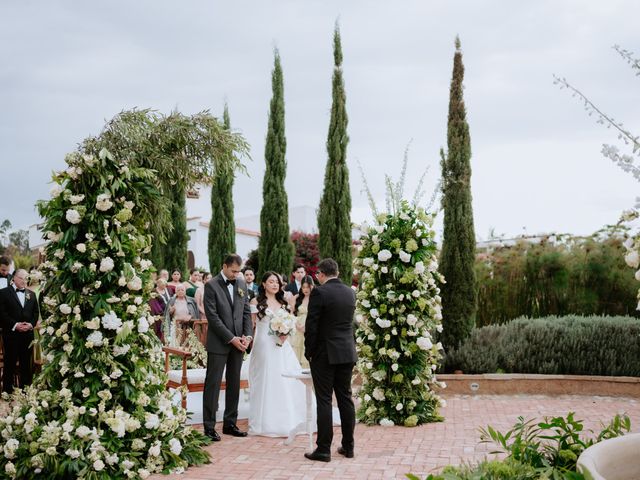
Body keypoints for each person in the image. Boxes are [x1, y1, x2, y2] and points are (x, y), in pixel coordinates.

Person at [304, 258, 357, 462]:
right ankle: (348, 446)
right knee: (345, 398)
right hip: (347, 352)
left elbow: (312, 326)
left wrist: (309, 352)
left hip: (325, 353)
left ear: (322, 274)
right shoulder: (350, 292)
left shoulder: (320, 292)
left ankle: (324, 449)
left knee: (324, 399)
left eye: (318, 275)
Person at [247, 271, 308, 436]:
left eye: (277, 282)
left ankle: (287, 417)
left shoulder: (284, 302)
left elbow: (290, 321)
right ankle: (263, 420)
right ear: (264, 284)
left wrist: (285, 333)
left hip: (282, 345)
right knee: (265, 378)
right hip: (263, 345)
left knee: (285, 379)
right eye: (271, 281)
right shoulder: (255, 302)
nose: (275, 285)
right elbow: (251, 325)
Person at [202, 254, 253, 442]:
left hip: (239, 343)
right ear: (224, 266)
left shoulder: (241, 284)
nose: (236, 275)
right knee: (213, 384)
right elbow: (213, 317)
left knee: (234, 384)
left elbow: (246, 311)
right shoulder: (211, 285)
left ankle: (230, 423)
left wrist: (247, 336)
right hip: (219, 343)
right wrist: (231, 338)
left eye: (239, 271)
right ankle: (209, 426)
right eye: (233, 271)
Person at [0, 269, 40, 393]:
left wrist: (30, 325)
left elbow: (35, 313)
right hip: (11, 334)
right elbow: (2, 314)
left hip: (27, 335)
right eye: (21, 278)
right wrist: (16, 325)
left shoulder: (31, 294)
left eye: (26, 278)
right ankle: (7, 390)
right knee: (10, 363)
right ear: (14, 278)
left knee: (26, 363)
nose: (24, 281)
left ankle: (25, 390)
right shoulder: (3, 293)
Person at [290, 275, 314, 369]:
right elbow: (292, 313)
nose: (305, 289)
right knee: (296, 349)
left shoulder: (315, 298)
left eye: (308, 287)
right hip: (297, 328)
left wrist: (306, 327)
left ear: (312, 286)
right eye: (303, 287)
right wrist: (296, 324)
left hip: (309, 327)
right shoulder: (297, 298)